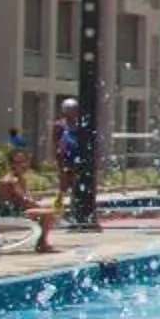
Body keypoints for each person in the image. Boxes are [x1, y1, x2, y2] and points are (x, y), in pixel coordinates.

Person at [52, 99, 97, 231]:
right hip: (65, 160)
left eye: (75, 109)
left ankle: (73, 213)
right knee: (63, 188)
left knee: (76, 188)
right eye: (72, 109)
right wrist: (59, 163)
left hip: (78, 159)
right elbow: (55, 144)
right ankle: (56, 215)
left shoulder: (79, 125)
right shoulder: (60, 125)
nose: (75, 112)